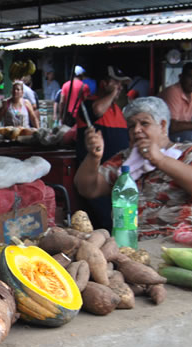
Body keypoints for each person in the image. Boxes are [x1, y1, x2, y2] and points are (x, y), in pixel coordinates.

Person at [74, 96, 192, 239]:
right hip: (133, 243)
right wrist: (94, 157)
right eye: (131, 126)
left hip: (183, 243)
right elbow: (88, 189)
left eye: (144, 123)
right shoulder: (126, 159)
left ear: (163, 126)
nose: (136, 130)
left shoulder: (188, 153)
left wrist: (160, 160)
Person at [75, 66, 132, 230]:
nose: (120, 88)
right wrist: (113, 93)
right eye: (117, 83)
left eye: (122, 85)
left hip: (117, 177)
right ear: (104, 83)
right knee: (103, 223)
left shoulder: (117, 110)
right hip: (96, 177)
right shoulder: (88, 105)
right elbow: (98, 110)